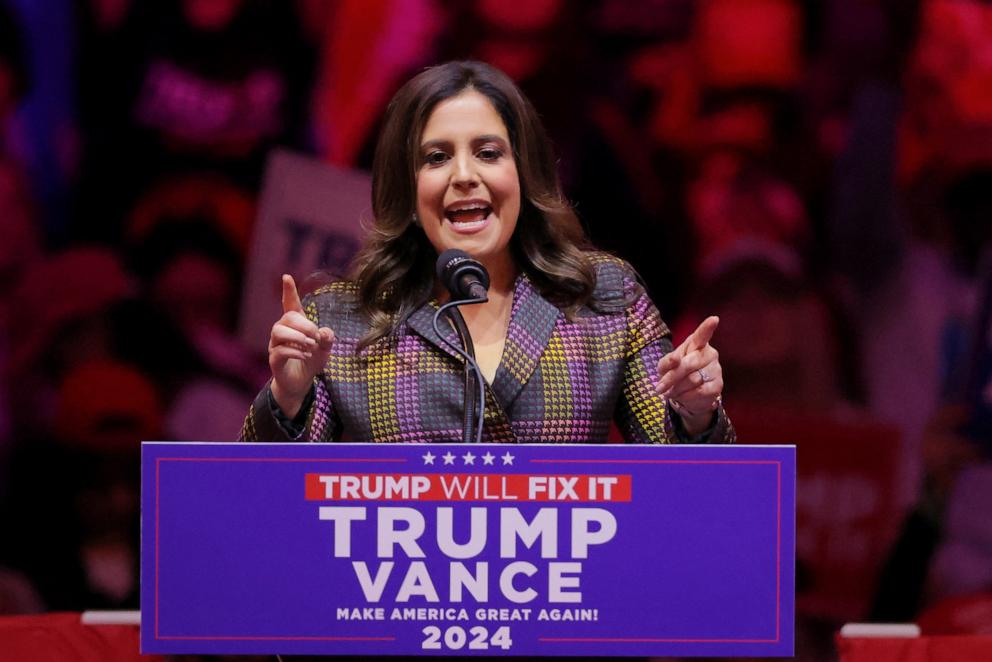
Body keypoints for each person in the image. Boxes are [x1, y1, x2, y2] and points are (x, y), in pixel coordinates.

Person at [240, 60, 733, 445]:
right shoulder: (341, 320)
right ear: (407, 191)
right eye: (436, 158)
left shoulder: (603, 298)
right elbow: (268, 510)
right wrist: (287, 397)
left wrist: (696, 410)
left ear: (523, 173)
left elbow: (688, 485)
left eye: (488, 153)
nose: (463, 175)